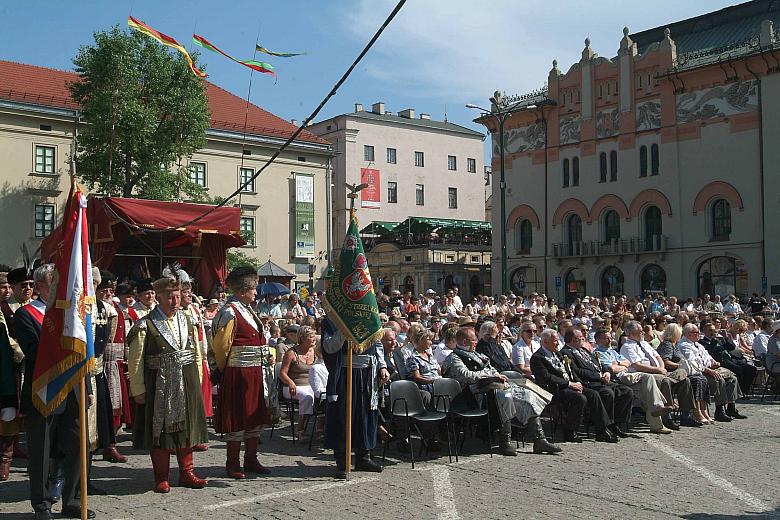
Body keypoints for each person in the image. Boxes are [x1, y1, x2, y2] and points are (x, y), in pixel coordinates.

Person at [18, 264, 95, 519]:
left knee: (77, 445)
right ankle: (41, 503)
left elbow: (85, 352)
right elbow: (32, 351)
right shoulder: (26, 315)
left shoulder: (72, 314)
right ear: (40, 287)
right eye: (55, 284)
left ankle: (72, 499)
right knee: (41, 450)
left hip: (74, 388)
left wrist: (89, 386)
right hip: (44, 389)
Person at [126, 275, 208, 494]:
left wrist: (198, 378)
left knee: (187, 428)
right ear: (158, 298)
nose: (175, 301)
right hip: (158, 386)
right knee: (160, 432)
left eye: (178, 296)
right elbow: (135, 360)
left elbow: (196, 351)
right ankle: (161, 477)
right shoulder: (145, 324)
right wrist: (138, 389)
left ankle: (187, 472)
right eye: (170, 297)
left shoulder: (188, 320)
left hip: (187, 381)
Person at [442, 327, 560, 455]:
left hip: (492, 387)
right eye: (474, 339)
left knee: (527, 395)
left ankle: (540, 439)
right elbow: (465, 375)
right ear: (465, 341)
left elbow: (492, 369)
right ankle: (505, 442)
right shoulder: (454, 357)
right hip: (473, 394)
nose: (476, 342)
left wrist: (494, 375)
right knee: (505, 396)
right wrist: (489, 375)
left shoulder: (477, 354)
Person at [211, 266, 275, 479]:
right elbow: (220, 347)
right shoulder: (229, 312)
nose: (256, 292)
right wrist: (222, 371)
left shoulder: (247, 309)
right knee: (238, 418)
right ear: (241, 290)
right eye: (253, 289)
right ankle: (232, 463)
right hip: (238, 374)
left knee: (254, 417)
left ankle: (251, 459)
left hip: (255, 372)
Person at [321, 317, 389, 478]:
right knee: (344, 416)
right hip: (345, 374)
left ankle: (363, 457)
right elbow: (329, 347)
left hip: (367, 375)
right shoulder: (332, 320)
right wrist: (345, 328)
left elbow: (377, 343)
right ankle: (342, 461)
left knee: (365, 416)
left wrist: (382, 366)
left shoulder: (369, 314)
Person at [531, 329, 617, 443]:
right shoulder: (538, 358)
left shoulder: (557, 353)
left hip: (569, 385)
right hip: (554, 389)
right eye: (555, 341)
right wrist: (569, 384)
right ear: (545, 342)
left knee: (594, 394)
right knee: (579, 398)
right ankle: (570, 431)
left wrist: (578, 382)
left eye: (558, 341)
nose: (558, 343)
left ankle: (601, 430)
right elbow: (547, 377)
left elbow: (571, 371)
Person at [592, 328, 674, 434]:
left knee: (649, 392)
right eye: (606, 338)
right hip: (617, 379)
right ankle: (657, 408)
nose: (609, 340)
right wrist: (620, 365)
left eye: (610, 337)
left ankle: (657, 424)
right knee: (648, 377)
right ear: (598, 340)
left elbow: (628, 363)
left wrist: (617, 364)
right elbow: (611, 369)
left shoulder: (612, 351)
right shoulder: (598, 353)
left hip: (627, 377)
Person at [620, 320, 697, 430]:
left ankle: (686, 415)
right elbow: (637, 365)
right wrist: (657, 370)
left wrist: (661, 368)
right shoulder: (627, 347)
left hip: (660, 372)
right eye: (641, 331)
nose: (643, 333)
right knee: (665, 381)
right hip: (646, 375)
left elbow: (658, 357)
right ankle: (667, 417)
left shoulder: (645, 344)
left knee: (684, 377)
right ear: (631, 334)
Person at [560, 328, 633, 438]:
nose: (584, 340)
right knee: (607, 393)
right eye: (581, 338)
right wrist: (598, 376)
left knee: (627, 391)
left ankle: (616, 423)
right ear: (574, 339)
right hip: (589, 382)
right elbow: (577, 371)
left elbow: (597, 363)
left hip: (602, 379)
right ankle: (603, 427)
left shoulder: (583, 350)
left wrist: (607, 372)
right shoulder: (566, 353)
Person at [678, 323, 745, 422]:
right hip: (698, 372)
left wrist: (713, 362)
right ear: (689, 334)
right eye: (696, 332)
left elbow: (707, 357)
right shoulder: (684, 345)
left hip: (708, 368)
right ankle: (719, 409)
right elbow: (694, 363)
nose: (698, 334)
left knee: (732, 378)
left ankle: (731, 406)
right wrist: (709, 369)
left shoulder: (698, 345)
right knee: (719, 379)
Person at [656, 323, 710, 425]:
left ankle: (687, 415)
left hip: (680, 372)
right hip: (671, 372)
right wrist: (680, 366)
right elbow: (665, 362)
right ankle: (693, 412)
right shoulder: (667, 344)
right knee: (693, 380)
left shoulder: (675, 345)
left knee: (690, 381)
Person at [279, 325, 317, 439]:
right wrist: (290, 382)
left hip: (310, 385)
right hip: (293, 386)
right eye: (311, 337)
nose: (314, 338)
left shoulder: (315, 351)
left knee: (325, 397)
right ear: (302, 338)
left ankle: (320, 428)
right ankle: (299, 428)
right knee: (307, 397)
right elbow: (282, 373)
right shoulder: (292, 353)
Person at [405, 326, 441, 394]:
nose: (431, 343)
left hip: (437, 384)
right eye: (429, 340)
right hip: (425, 387)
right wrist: (432, 381)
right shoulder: (413, 358)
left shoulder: (431, 356)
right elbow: (417, 377)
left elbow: (439, 371)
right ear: (421, 340)